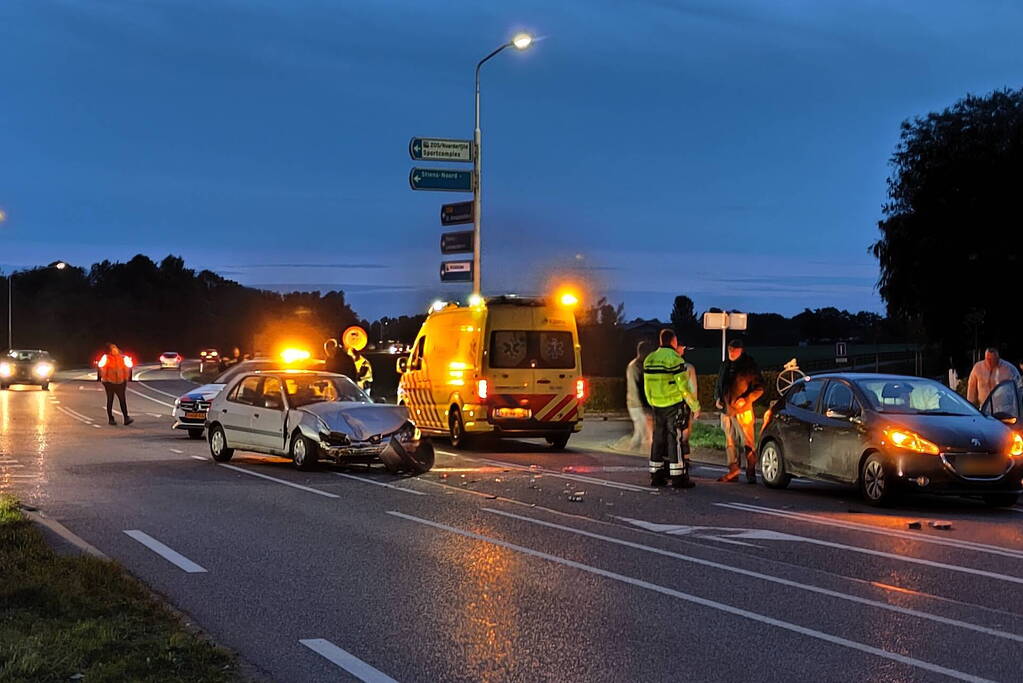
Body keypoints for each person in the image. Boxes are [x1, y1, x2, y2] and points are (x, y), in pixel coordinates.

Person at [643, 328, 700, 488]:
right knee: (674, 439)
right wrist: (694, 405)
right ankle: (678, 478)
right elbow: (683, 387)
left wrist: (652, 401)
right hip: (672, 404)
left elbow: (647, 386)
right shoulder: (675, 359)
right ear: (673, 341)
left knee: (658, 440)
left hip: (656, 405)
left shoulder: (650, 359)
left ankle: (656, 475)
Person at [715, 338, 764, 483]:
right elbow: (719, 383)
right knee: (730, 441)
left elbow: (759, 388)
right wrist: (717, 397)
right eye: (729, 349)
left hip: (743, 411)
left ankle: (750, 472)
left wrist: (747, 399)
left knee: (747, 441)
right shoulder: (725, 365)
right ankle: (733, 469)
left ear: (741, 350)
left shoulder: (749, 366)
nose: (731, 352)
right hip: (726, 409)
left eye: (733, 350)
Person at [626, 341, 654, 451]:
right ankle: (638, 456)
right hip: (637, 405)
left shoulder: (635, 365)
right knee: (644, 435)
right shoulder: (635, 367)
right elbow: (637, 388)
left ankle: (630, 454)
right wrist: (645, 407)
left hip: (635, 404)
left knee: (639, 434)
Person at [97, 343, 133, 426]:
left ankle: (126, 418)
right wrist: (104, 380)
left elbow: (127, 367)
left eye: (115, 348)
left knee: (122, 400)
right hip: (109, 383)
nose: (114, 350)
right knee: (110, 400)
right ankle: (111, 419)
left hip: (120, 382)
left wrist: (125, 379)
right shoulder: (106, 358)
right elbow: (101, 367)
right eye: (112, 349)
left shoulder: (122, 358)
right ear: (110, 351)